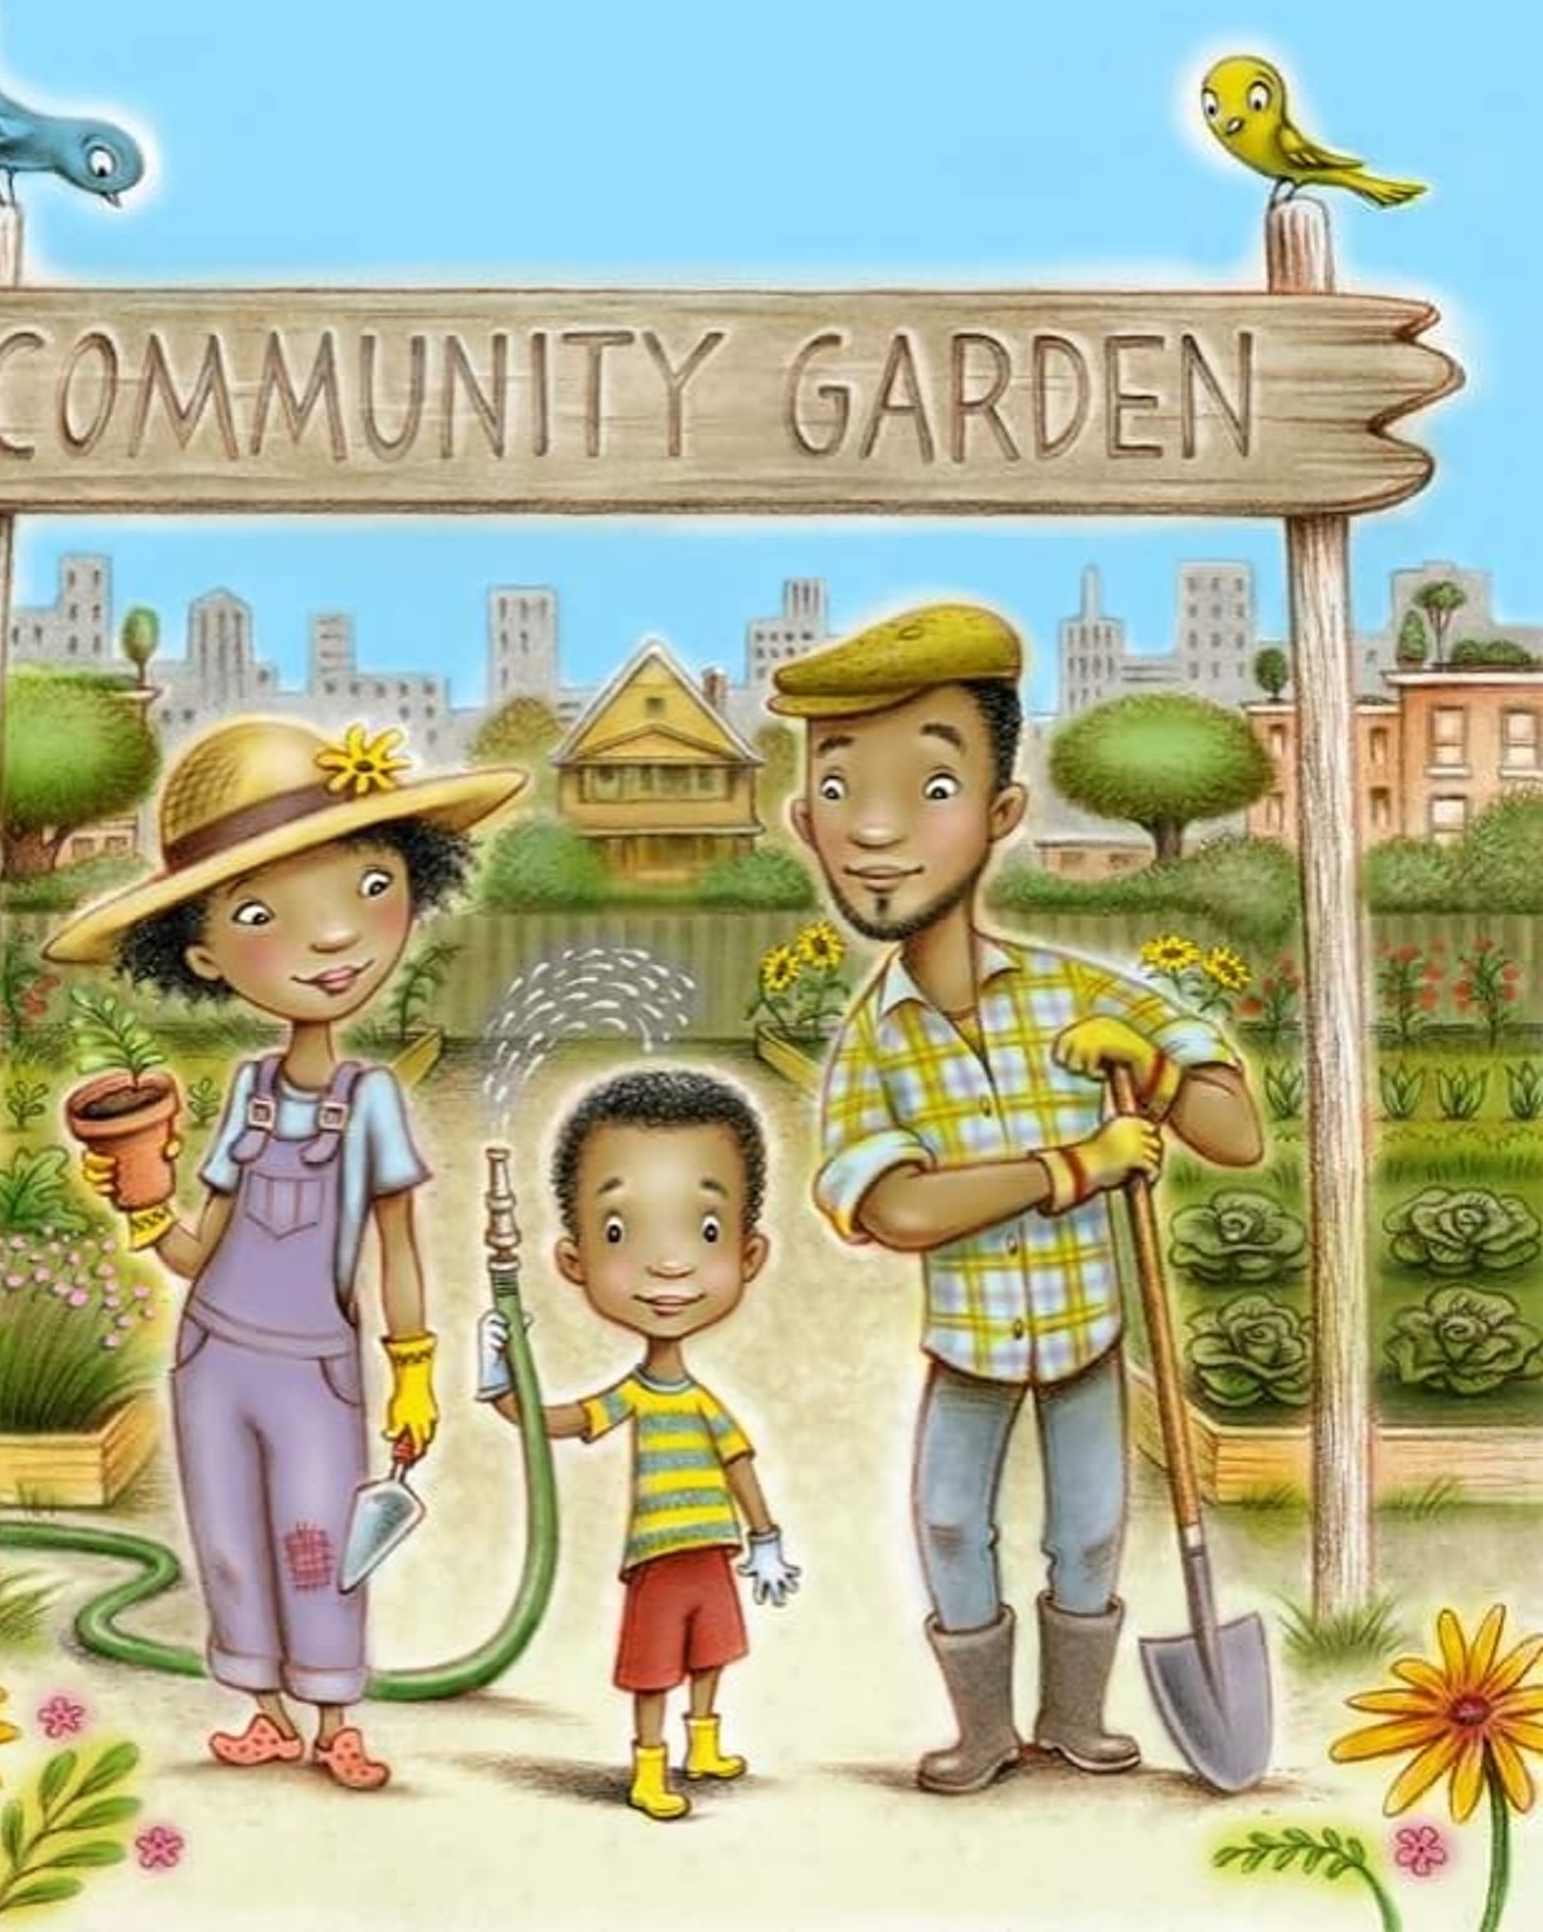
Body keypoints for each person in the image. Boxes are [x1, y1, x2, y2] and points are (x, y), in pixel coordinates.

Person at [770, 601, 1263, 1795]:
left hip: (1086, 1337)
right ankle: (982, 1727)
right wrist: (1067, 1168)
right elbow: (889, 1209)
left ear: (997, 814)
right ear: (802, 823)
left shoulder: (1074, 995)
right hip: (969, 1347)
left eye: (928, 789)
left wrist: (1150, 1066)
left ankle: (1076, 1720)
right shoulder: (872, 1047)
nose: (878, 829)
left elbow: (1234, 1130)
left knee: (1089, 1526)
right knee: (948, 1525)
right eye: (840, 793)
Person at [45, 716, 523, 1789]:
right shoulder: (248, 1096)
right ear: (208, 955)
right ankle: (260, 1708)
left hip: (315, 1365)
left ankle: (335, 1717)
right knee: (226, 1535)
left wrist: (411, 1366)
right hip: (214, 1354)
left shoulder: (370, 1100)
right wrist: (143, 1201)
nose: (329, 938)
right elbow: (198, 1248)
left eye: (368, 888)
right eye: (264, 914)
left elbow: (396, 1241)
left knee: (320, 1538)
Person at [475, 1068, 801, 1821]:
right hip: (655, 1557)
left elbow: (738, 1461)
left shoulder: (700, 1400)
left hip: (710, 1550)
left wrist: (765, 1537)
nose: (670, 1263)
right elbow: (554, 1421)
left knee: (713, 1651)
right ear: (573, 1260)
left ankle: (704, 1740)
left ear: (747, 1256)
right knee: (653, 1667)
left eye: (706, 1231)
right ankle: (649, 1765)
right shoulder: (631, 1396)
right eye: (621, 1232)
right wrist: (501, 1383)